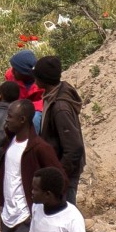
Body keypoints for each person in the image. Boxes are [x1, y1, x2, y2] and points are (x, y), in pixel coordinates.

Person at [0, 98, 65, 232]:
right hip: (8, 218)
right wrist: (1, 207)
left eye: (11, 116)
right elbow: (5, 178)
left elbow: (60, 179)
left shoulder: (40, 148)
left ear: (23, 119)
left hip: (26, 219)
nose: (7, 120)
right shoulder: (9, 143)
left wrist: (42, 210)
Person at [36, 57, 87, 205]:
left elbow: (74, 147)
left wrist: (60, 174)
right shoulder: (52, 96)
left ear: (43, 78)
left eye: (37, 75)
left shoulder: (60, 107)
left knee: (65, 210)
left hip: (65, 171)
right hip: (58, 167)